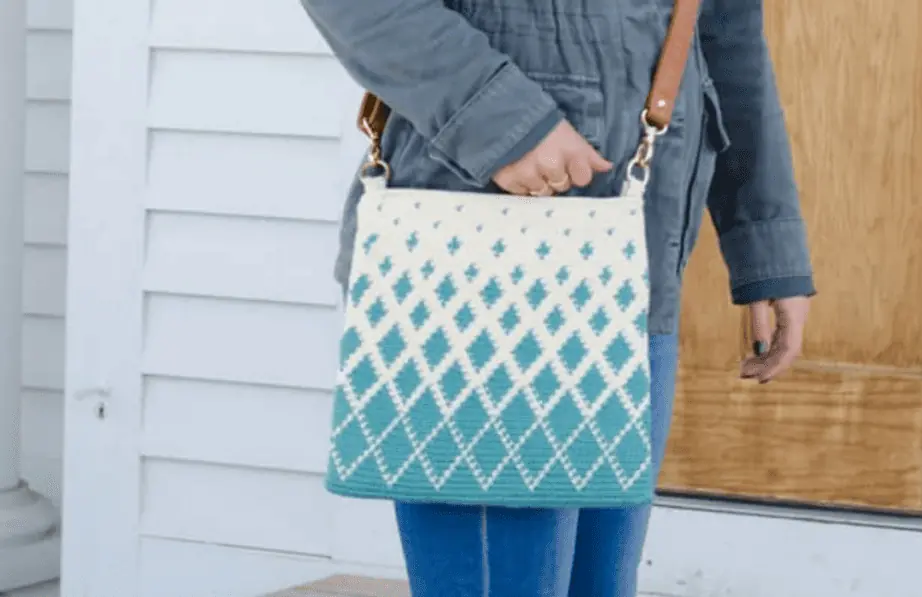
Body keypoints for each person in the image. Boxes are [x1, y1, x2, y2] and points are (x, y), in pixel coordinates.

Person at [300, 0, 815, 595]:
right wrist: (502, 120)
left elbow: (723, 26)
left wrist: (766, 243)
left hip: (639, 261)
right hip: (480, 271)